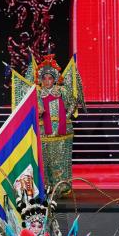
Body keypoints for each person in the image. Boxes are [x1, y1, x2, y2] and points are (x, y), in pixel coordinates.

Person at [12, 54, 85, 192]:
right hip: (43, 131)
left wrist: (65, 117)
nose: (47, 81)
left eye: (49, 78)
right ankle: (47, 187)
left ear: (55, 79)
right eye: (44, 78)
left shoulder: (62, 91)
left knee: (60, 159)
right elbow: (29, 109)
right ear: (40, 79)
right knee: (45, 161)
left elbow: (73, 103)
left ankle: (62, 186)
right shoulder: (37, 93)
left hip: (62, 131)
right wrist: (37, 112)